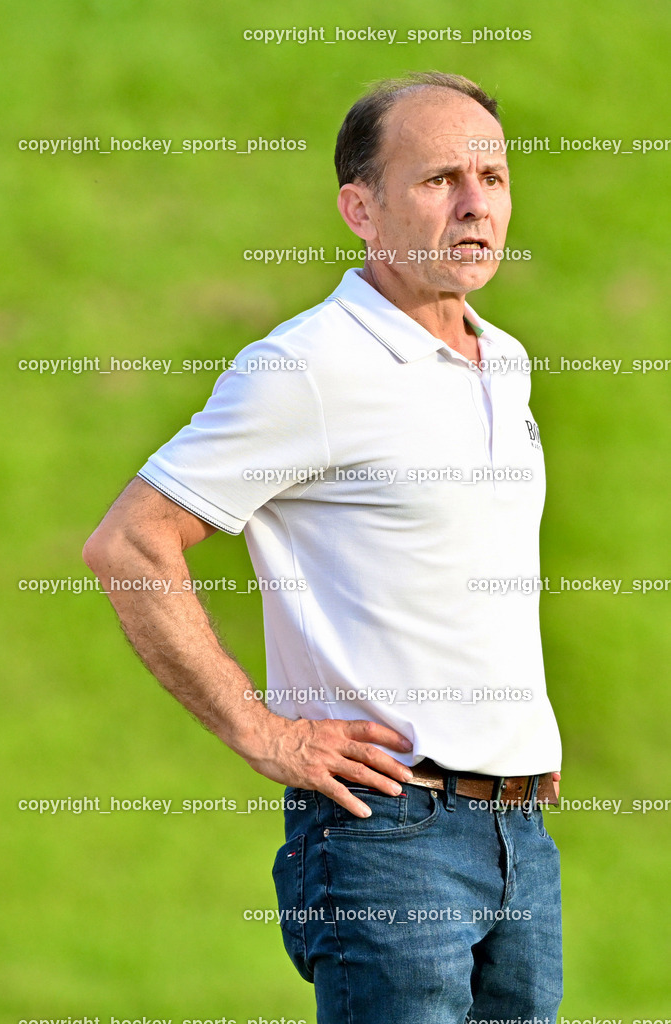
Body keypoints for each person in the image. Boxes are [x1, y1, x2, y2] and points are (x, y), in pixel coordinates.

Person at [83, 71, 563, 1024]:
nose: (475, 205)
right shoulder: (306, 366)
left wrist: (513, 739)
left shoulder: (500, 360)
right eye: (437, 181)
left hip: (520, 836)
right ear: (360, 207)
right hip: (386, 837)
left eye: (492, 176)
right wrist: (267, 734)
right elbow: (131, 543)